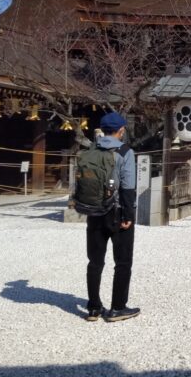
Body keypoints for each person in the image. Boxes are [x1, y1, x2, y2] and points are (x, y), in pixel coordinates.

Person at [83, 112, 139, 322]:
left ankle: (94, 308)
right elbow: (127, 186)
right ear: (121, 130)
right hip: (116, 213)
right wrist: (129, 214)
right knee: (122, 261)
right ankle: (117, 307)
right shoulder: (125, 151)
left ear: (103, 130)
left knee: (95, 261)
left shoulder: (90, 150)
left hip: (94, 211)